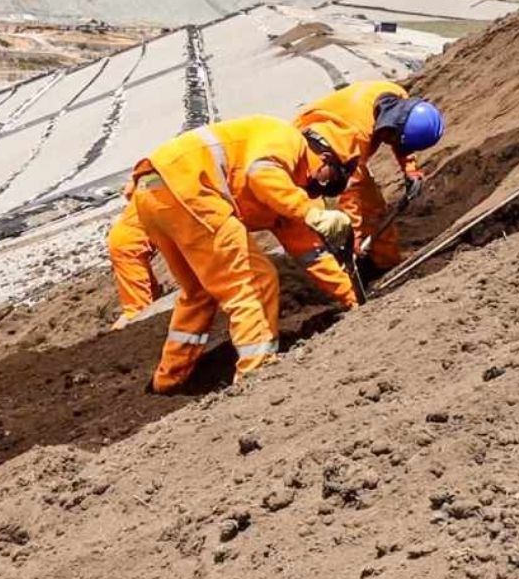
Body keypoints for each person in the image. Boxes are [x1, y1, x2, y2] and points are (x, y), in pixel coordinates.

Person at [130, 114, 361, 394]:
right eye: (333, 177)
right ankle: (256, 373)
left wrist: (352, 299)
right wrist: (310, 212)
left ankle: (168, 379)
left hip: (153, 192)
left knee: (198, 292)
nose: (325, 188)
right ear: (325, 158)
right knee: (253, 280)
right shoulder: (288, 142)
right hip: (188, 188)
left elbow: (310, 252)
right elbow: (260, 173)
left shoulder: (288, 190)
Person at [294, 81, 444, 276]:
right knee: (327, 222)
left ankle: (386, 264)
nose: (391, 143)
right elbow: (348, 193)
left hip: (340, 147)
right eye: (392, 139)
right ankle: (340, 272)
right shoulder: (358, 135)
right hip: (313, 154)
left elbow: (402, 136)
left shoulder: (396, 98)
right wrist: (351, 239)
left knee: (374, 210)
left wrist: (410, 168)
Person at [107, 192, 162, 331]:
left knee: (152, 295)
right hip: (129, 248)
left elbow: (129, 191)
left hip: (128, 238)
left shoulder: (153, 177)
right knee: (138, 314)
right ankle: (114, 341)